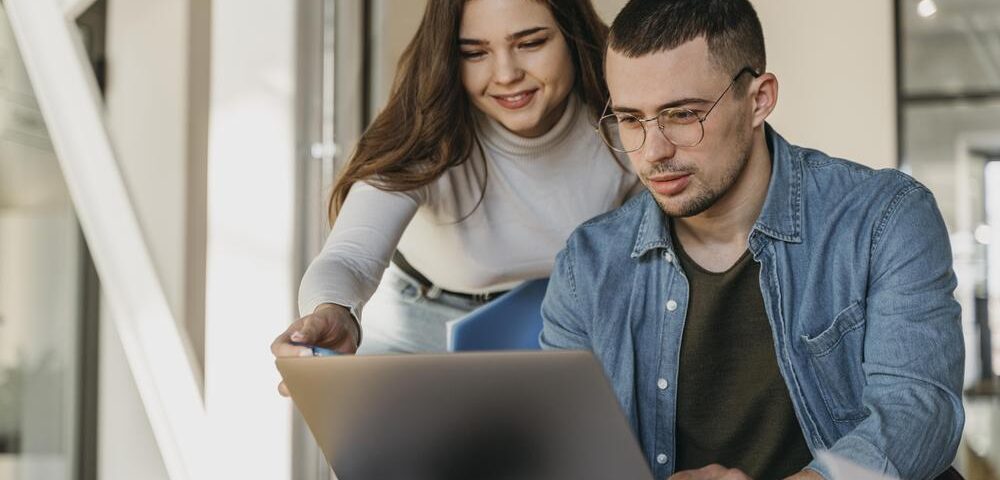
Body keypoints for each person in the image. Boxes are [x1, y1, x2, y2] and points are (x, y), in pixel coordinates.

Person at [540, 1, 965, 479]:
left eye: (682, 115)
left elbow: (920, 411)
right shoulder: (588, 266)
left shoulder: (882, 218)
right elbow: (571, 454)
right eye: (631, 119)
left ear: (759, 99)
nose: (653, 151)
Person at [271, 0, 640, 391]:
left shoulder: (628, 128)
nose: (506, 74)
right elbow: (349, 257)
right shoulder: (429, 133)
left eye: (530, 43)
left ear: (572, 35)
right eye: (474, 52)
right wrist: (333, 311)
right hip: (414, 323)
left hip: (557, 321)